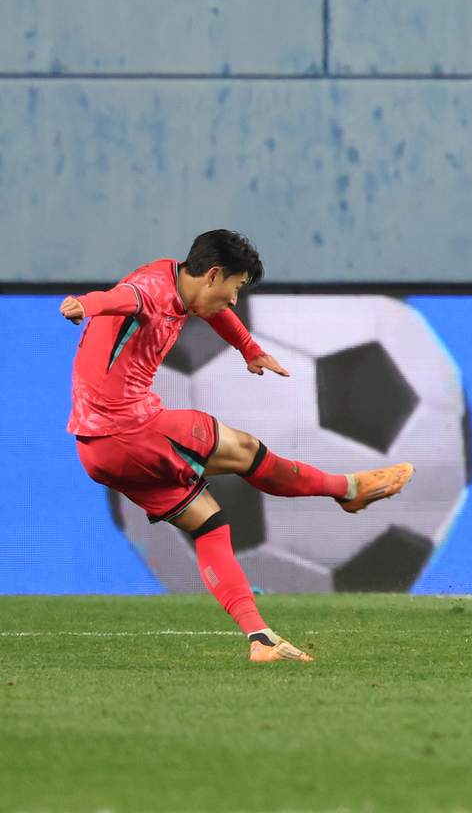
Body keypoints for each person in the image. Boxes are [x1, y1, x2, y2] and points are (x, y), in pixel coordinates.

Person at [62, 231, 415, 661]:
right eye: (237, 286)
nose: (234, 300)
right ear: (214, 275)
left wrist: (249, 349)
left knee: (209, 525)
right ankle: (347, 490)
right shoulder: (152, 290)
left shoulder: (177, 281)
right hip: (130, 431)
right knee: (246, 449)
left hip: (96, 451)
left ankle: (261, 639)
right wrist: (86, 303)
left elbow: (208, 312)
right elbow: (124, 299)